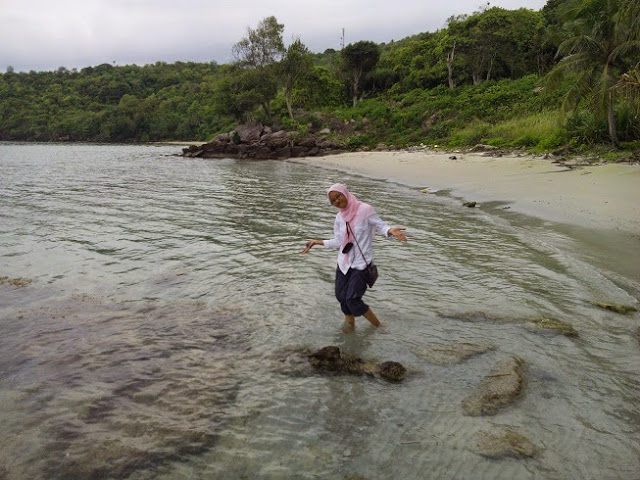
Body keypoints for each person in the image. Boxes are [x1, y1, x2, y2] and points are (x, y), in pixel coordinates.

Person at [301, 183, 407, 333]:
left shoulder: (365, 210)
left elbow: (381, 226)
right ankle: (350, 327)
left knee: (352, 299)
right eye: (333, 201)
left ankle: (378, 326)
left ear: (345, 193)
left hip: (361, 265)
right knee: (341, 298)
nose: (337, 201)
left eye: (338, 196)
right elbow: (339, 241)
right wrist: (316, 242)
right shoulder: (339, 218)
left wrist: (390, 230)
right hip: (344, 263)